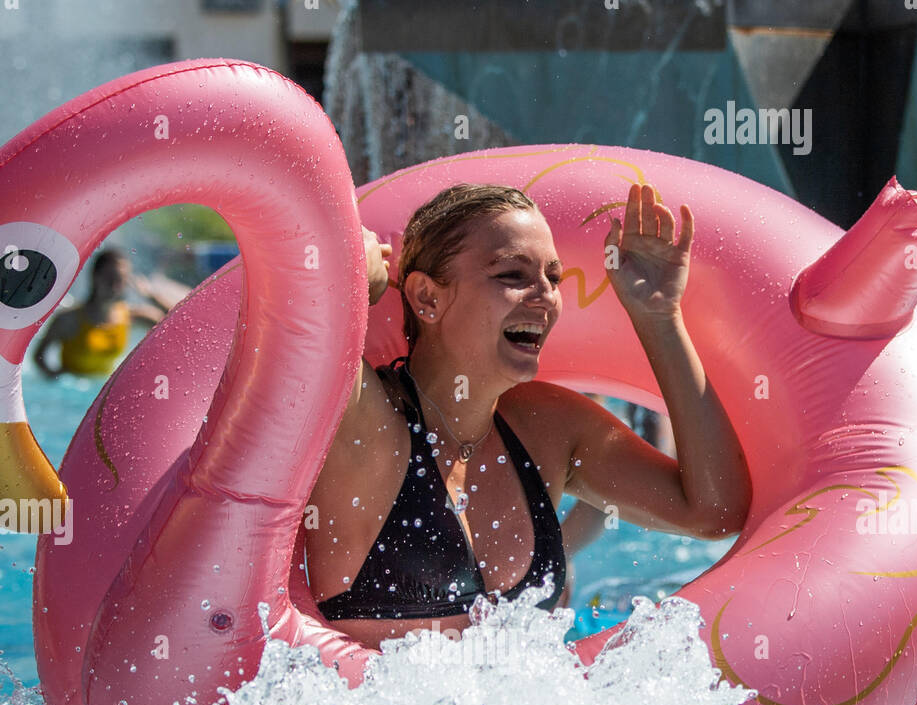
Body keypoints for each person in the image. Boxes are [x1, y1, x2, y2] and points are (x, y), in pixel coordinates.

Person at [305, 182, 751, 647]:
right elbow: (300, 305)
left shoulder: (547, 428)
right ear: (427, 297)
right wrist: (352, 274)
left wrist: (659, 315)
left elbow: (713, 512)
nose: (545, 296)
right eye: (513, 275)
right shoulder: (366, 419)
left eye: (553, 278)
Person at [32, 248, 173, 378]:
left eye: (121, 279)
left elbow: (176, 322)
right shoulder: (68, 319)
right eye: (110, 277)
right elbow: (39, 357)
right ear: (95, 276)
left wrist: (151, 296)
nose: (115, 285)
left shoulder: (130, 315)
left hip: (101, 392)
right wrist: (55, 379)